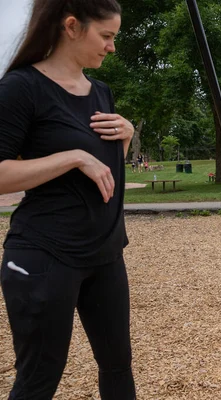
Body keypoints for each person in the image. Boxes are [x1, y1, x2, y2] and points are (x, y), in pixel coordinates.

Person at [0, 1, 137, 398]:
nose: (112, 47)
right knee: (39, 379)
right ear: (72, 27)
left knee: (117, 367)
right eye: (106, 36)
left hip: (106, 255)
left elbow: (104, 174)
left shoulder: (102, 93)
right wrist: (71, 157)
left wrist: (124, 139)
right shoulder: (21, 87)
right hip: (44, 256)